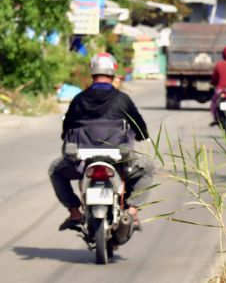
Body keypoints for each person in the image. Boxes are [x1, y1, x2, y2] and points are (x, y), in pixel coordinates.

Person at [48, 53, 156, 231]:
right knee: (148, 167)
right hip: (120, 158)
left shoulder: (79, 99)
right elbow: (139, 124)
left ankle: (75, 211)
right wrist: (142, 135)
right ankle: (132, 210)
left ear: (92, 71)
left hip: (82, 160)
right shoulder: (123, 99)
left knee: (55, 170)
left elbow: (67, 129)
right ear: (113, 73)